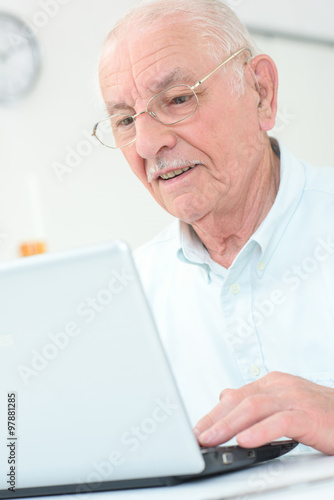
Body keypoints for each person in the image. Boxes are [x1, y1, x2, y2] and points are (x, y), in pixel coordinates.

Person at [93, 0, 334, 455]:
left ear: (260, 92)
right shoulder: (127, 296)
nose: (147, 143)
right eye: (125, 120)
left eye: (179, 98)